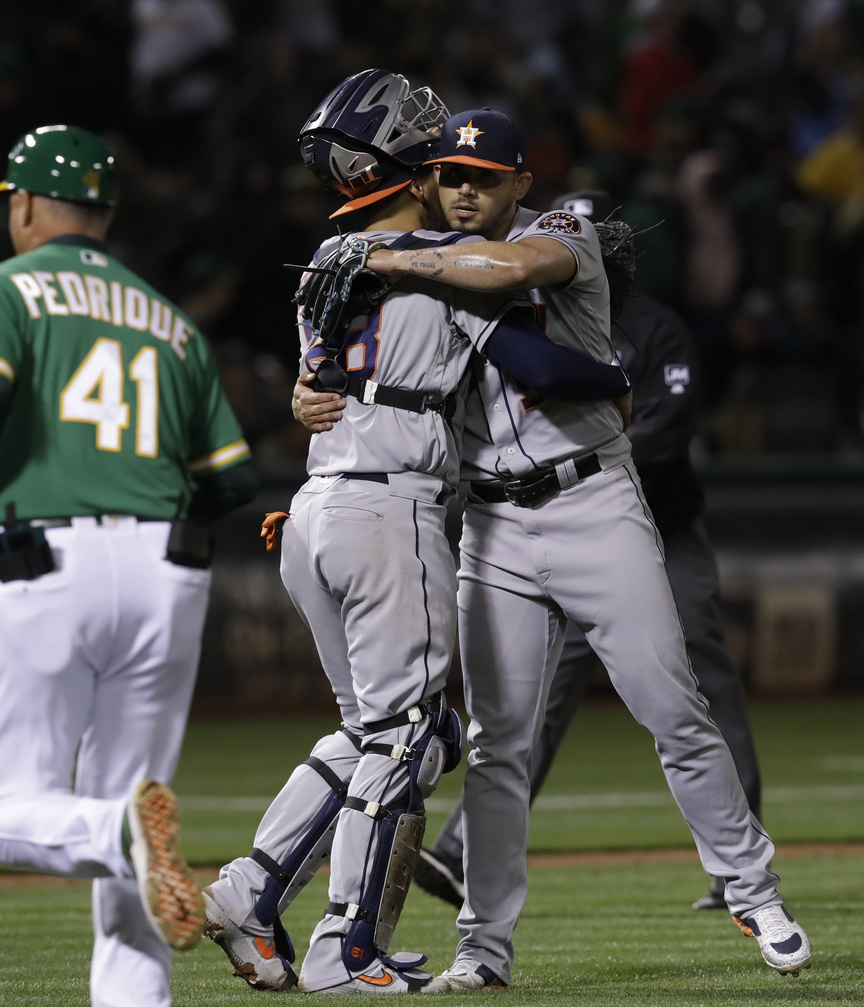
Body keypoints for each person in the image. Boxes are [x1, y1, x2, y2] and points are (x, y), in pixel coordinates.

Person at [299, 108, 812, 990]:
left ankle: (752, 888)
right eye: (451, 176)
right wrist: (312, 392)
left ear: (520, 184)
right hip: (490, 525)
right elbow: (355, 369)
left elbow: (511, 270)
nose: (465, 191)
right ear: (430, 179)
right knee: (499, 747)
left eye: (485, 178)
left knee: (671, 704)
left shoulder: (560, 230)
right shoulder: (423, 264)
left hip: (592, 501)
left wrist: (383, 256)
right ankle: (483, 949)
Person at [200, 71, 631, 996]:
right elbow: (544, 366)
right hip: (388, 509)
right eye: (434, 154)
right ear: (410, 163)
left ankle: (249, 892)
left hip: (318, 505)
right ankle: (345, 950)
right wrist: (613, 362)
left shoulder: (327, 257)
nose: (449, 171)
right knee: (407, 735)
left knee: (381, 730)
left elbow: (323, 379)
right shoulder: (445, 255)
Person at [0, 124, 256, 1007]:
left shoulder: (0, 285)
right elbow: (233, 479)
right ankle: (128, 840)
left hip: (48, 559)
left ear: (28, 205)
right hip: (168, 569)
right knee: (137, 820)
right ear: (104, 214)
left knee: (3, 810)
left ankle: (115, 829)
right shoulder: (171, 321)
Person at [412, 189, 764, 915]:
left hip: (657, 524)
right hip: (529, 528)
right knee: (521, 713)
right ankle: (458, 854)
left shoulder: (654, 327)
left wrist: (602, 438)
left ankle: (738, 872)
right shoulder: (514, 307)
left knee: (689, 688)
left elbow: (671, 422)